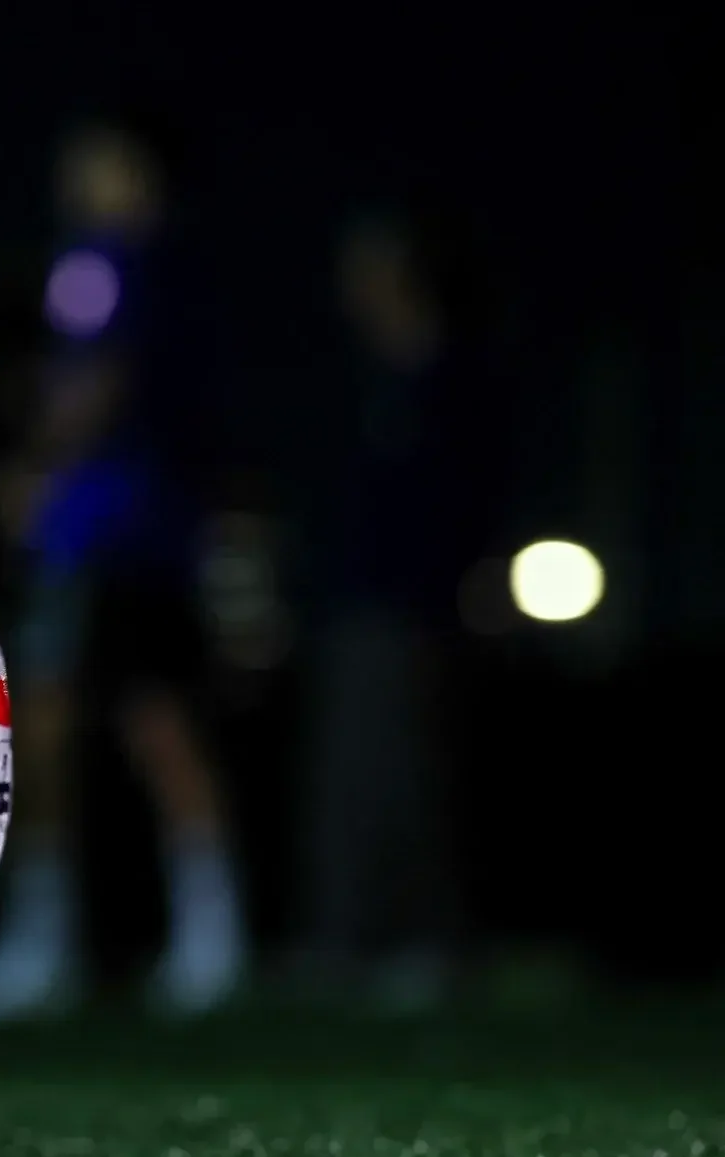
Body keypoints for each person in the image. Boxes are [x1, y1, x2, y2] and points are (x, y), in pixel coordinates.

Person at [0, 118, 246, 1023]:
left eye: (97, 160)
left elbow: (97, 381)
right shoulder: (171, 273)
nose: (74, 175)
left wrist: (32, 464)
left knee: (71, 726)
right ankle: (186, 940)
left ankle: (67, 946)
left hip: (107, 537)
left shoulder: (105, 265)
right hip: (142, 536)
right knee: (120, 725)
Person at [292, 206, 499, 1009]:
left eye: (372, 264)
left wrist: (452, 587)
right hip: (350, 601)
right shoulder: (360, 380)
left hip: (418, 607)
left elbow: (469, 497)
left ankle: (428, 942)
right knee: (346, 772)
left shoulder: (452, 375)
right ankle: (349, 939)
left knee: (412, 769)